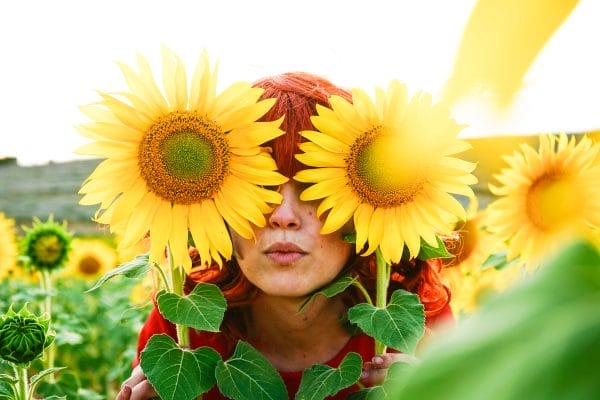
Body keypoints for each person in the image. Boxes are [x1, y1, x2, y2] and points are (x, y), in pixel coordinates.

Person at [116, 72, 454, 400]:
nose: (283, 216)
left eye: (314, 187)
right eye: (259, 187)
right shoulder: (185, 327)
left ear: (364, 197)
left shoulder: (418, 324)